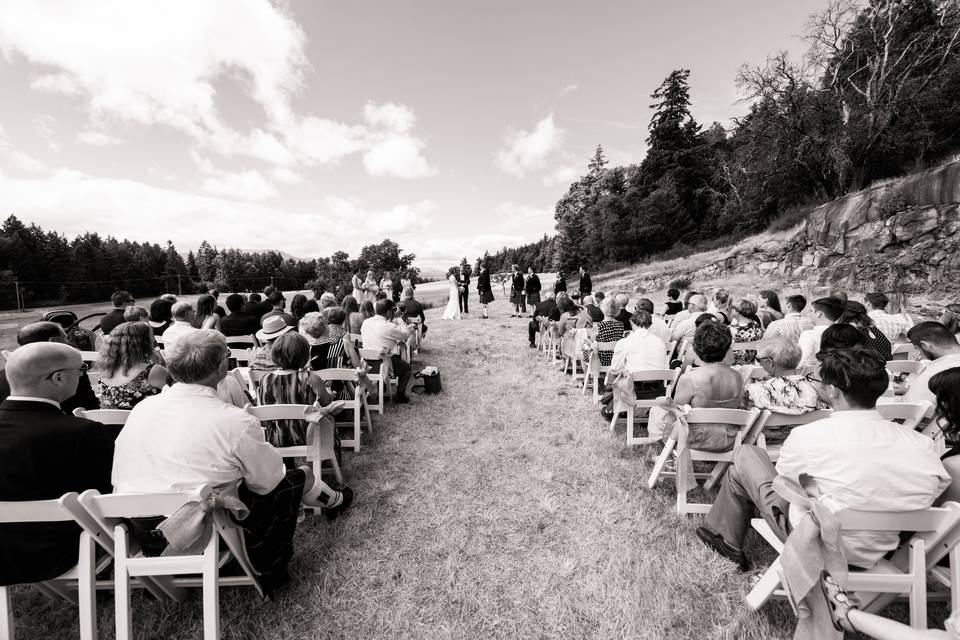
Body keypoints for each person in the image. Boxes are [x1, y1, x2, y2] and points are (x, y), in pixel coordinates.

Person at [111, 330, 352, 595]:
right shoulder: (232, 420)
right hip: (208, 532)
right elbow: (268, 481)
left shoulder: (141, 410)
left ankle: (336, 500)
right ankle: (335, 501)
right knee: (298, 475)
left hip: (143, 534)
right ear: (221, 368)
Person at [696, 346, 949, 572]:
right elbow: (935, 487)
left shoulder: (808, 436)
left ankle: (726, 539)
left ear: (833, 390)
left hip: (818, 538)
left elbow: (783, 488)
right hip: (886, 546)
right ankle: (722, 532)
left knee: (746, 455)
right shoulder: (922, 444)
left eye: (815, 379)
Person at [0, 342, 118, 586]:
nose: (83, 375)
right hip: (61, 551)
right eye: (82, 369)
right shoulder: (82, 432)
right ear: (59, 377)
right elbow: (109, 497)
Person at [648, 322, 745, 447]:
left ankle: (666, 454)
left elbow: (676, 415)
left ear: (698, 348)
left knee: (657, 412)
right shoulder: (738, 377)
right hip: (729, 438)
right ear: (727, 348)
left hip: (696, 439)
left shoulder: (689, 378)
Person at [255, 333, 338, 448]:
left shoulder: (264, 380)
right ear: (304, 356)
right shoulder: (310, 379)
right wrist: (330, 393)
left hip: (275, 438)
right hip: (309, 437)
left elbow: (263, 411)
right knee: (330, 416)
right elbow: (326, 402)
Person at [0, 322, 100, 414]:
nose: (69, 343)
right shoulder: (71, 371)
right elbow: (91, 407)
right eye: (65, 338)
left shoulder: (3, 374)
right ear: (54, 341)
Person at [740, 338, 822, 443]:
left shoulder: (754, 391)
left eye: (759, 359)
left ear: (769, 362)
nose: (759, 364)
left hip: (765, 444)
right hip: (805, 442)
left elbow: (743, 425)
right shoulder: (816, 389)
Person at [97, 322, 170, 410]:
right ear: (145, 343)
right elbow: (180, 394)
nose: (153, 341)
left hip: (110, 422)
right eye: (151, 338)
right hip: (144, 421)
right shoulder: (153, 371)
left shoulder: (105, 371)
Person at [361, 299, 416, 404]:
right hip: (384, 364)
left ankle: (382, 387)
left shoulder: (365, 323)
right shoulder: (388, 326)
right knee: (407, 368)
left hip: (367, 364)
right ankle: (399, 395)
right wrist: (399, 318)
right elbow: (405, 334)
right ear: (389, 312)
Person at [902, 321, 960, 409]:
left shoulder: (935, 373)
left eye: (918, 349)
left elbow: (907, 407)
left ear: (925, 345)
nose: (920, 354)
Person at [797, 296, 845, 367]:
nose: (808, 314)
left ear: (819, 313)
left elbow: (802, 362)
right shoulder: (845, 332)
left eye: (811, 311)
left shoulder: (808, 335)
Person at [582, 298, 625, 367]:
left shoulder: (598, 326)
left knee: (583, 348)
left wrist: (587, 342)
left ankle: (588, 375)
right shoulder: (621, 324)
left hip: (600, 359)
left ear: (603, 309)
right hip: (616, 358)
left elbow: (593, 341)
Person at [729, 300, 764, 365]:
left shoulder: (733, 330)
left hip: (735, 365)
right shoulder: (755, 325)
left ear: (737, 312)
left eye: (732, 309)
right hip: (750, 364)